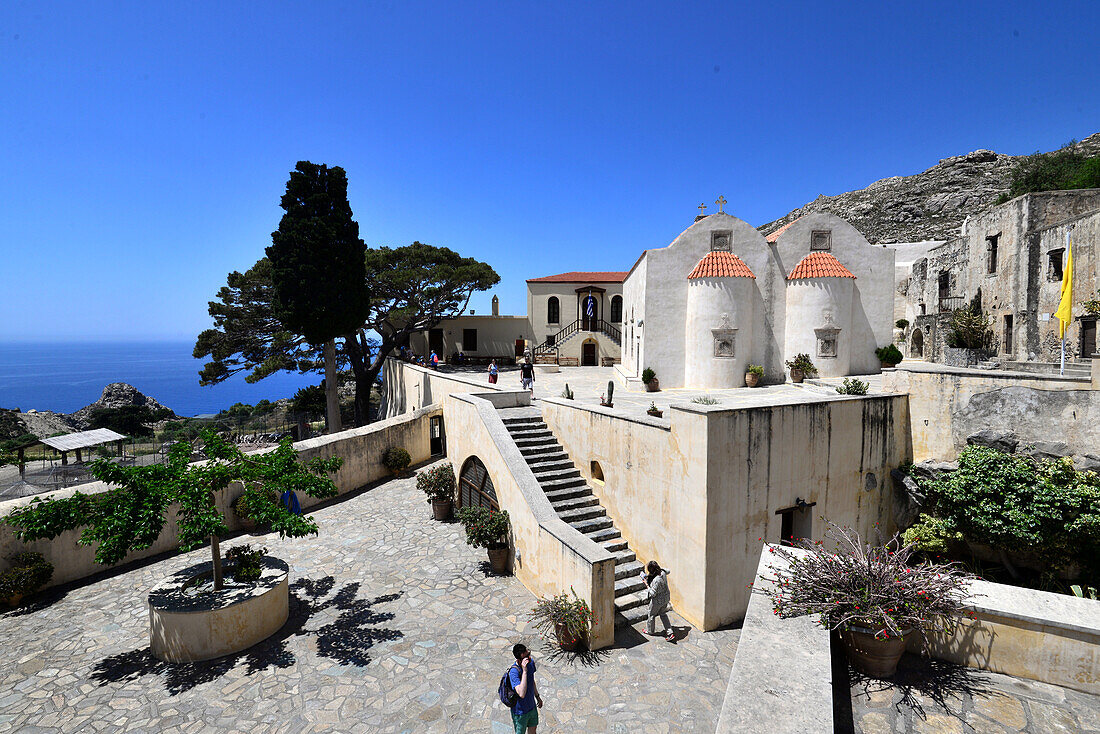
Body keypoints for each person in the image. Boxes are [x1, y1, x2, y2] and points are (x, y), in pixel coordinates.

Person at [508, 643, 543, 733]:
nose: (529, 658)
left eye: (529, 654)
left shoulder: (530, 663)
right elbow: (521, 694)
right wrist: (524, 671)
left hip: (531, 707)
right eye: (526, 657)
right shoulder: (513, 672)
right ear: (519, 660)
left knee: (533, 729)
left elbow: (532, 681)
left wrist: (538, 697)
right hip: (520, 713)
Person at [639, 560, 675, 641]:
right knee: (663, 614)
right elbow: (668, 570)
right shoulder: (663, 572)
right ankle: (670, 633)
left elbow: (652, 593)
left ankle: (650, 631)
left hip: (657, 601)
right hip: (666, 598)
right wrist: (659, 569)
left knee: (651, 614)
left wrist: (646, 584)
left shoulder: (656, 580)